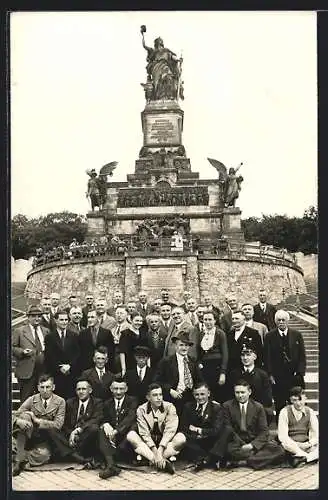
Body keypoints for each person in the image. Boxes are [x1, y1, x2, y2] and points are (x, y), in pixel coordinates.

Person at [222, 380, 285, 469]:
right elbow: (228, 429)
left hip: (253, 441)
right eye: (237, 392)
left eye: (243, 392)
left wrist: (252, 445)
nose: (240, 395)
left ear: (249, 392)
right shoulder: (227, 406)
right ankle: (257, 459)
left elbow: (264, 431)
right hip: (236, 442)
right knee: (226, 449)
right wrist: (242, 445)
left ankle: (245, 460)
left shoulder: (258, 407)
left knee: (279, 450)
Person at [12, 374, 66, 476]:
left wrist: (37, 420)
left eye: (48, 387)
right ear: (38, 388)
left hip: (45, 438)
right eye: (42, 387)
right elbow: (15, 415)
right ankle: (19, 460)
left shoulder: (60, 401)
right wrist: (18, 421)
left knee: (44, 456)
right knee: (24, 416)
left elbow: (58, 425)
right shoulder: (32, 399)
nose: (45, 390)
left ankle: (19, 455)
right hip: (29, 434)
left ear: (53, 387)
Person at [126, 383, 186, 474]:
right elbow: (144, 433)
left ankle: (153, 460)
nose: (159, 398)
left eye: (160, 394)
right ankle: (161, 462)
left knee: (181, 438)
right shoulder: (141, 409)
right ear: (148, 397)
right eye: (155, 395)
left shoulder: (170, 407)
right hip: (149, 443)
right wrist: (155, 450)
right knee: (131, 436)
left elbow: (170, 431)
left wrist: (160, 449)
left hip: (165, 442)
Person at [48, 377, 103, 464]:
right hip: (69, 437)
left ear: (90, 390)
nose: (81, 392)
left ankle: (71, 454)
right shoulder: (70, 402)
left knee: (94, 428)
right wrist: (71, 433)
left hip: (84, 437)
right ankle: (76, 456)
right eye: (78, 389)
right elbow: (64, 423)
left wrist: (78, 430)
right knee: (52, 429)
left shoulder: (97, 403)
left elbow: (96, 419)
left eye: (84, 389)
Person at [264, 310, 306, 419]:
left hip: (295, 376)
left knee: (297, 403)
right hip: (278, 377)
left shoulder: (297, 335)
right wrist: (270, 374)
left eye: (283, 320)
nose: (281, 322)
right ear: (275, 321)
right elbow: (267, 357)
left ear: (288, 321)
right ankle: (281, 429)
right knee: (280, 404)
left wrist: (300, 372)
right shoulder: (269, 336)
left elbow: (302, 355)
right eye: (279, 320)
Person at [180, 382, 229, 470]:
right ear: (193, 395)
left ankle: (206, 459)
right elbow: (183, 427)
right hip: (194, 440)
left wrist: (199, 430)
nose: (200, 397)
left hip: (209, 439)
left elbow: (216, 430)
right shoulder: (188, 406)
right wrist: (195, 435)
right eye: (197, 395)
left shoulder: (216, 408)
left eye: (202, 394)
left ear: (208, 393)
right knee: (184, 441)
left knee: (225, 431)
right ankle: (208, 459)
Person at [154, 330, 203, 416]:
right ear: (175, 346)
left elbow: (200, 380)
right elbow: (157, 380)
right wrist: (170, 390)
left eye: (186, 345)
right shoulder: (166, 361)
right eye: (181, 345)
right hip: (173, 397)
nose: (184, 348)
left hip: (190, 398)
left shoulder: (193, 361)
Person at [98, 379, 138, 479]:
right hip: (111, 439)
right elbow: (102, 417)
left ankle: (110, 461)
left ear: (126, 389)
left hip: (124, 438)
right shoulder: (107, 403)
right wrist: (105, 424)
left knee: (135, 427)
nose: (118, 392)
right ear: (111, 389)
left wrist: (116, 431)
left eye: (121, 389)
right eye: (115, 388)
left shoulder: (132, 400)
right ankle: (111, 466)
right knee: (101, 430)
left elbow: (130, 418)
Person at [229, 342, 274, 425]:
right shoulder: (234, 374)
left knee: (269, 412)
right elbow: (229, 395)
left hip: (256, 409)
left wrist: (254, 408)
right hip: (238, 407)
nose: (245, 358)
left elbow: (267, 398)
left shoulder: (262, 375)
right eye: (243, 355)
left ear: (255, 357)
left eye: (248, 355)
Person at [12, 305, 49, 402]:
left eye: (39, 316)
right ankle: (25, 417)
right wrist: (22, 351)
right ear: (28, 317)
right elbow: (12, 348)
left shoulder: (46, 331)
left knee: (42, 399)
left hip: (43, 371)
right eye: (33, 316)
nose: (37, 318)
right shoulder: (19, 331)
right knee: (26, 399)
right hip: (27, 371)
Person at [278, 386, 318, 467]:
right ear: (291, 400)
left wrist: (309, 444)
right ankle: (308, 458)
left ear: (305, 398)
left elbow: (316, 433)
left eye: (300, 400)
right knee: (284, 445)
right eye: (295, 400)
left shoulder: (310, 412)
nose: (298, 403)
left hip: (306, 444)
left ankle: (302, 458)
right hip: (291, 445)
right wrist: (297, 445)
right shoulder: (284, 411)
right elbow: (283, 436)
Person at [44, 310, 80, 400]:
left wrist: (69, 366)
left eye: (66, 320)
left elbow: (77, 354)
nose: (64, 322)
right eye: (61, 320)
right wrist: (60, 367)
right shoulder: (50, 337)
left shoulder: (74, 336)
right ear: (56, 320)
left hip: (71, 373)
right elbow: (49, 355)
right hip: (56, 373)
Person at [198, 311, 228, 403]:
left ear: (215, 320)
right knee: (207, 393)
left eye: (210, 319)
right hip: (205, 369)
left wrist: (223, 373)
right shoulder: (201, 334)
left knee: (218, 395)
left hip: (217, 368)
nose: (207, 322)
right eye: (205, 320)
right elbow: (199, 352)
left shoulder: (220, 333)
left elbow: (225, 353)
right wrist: (199, 363)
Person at [141, 34, 183, 101]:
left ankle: (168, 96)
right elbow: (144, 45)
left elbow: (172, 57)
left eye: (160, 43)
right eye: (158, 43)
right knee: (158, 82)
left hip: (165, 67)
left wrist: (178, 60)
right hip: (156, 67)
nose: (159, 45)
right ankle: (158, 96)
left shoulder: (166, 50)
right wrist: (142, 35)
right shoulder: (154, 51)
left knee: (168, 77)